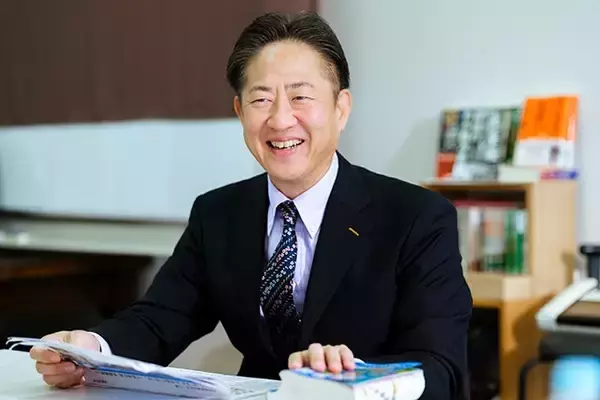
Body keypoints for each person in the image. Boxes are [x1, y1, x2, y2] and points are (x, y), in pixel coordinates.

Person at [30, 11, 472, 399]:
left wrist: (356, 378)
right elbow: (160, 319)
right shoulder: (218, 214)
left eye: (300, 97)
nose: (280, 119)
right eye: (261, 100)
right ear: (240, 112)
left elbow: (441, 367)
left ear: (341, 108)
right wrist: (90, 349)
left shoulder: (417, 218)